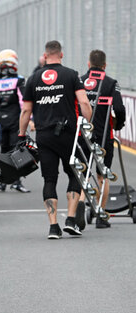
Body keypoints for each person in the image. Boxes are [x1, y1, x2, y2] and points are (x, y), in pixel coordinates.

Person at [19, 40, 92, 239]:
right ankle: (70, 219)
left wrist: (21, 134)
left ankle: (53, 227)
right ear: (61, 55)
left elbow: (26, 110)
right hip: (69, 135)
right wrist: (89, 121)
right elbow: (84, 102)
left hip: (44, 135)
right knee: (74, 175)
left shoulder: (33, 78)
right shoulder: (71, 75)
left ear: (45, 56)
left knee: (49, 179)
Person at [77, 49, 126, 229]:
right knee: (102, 175)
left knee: (82, 173)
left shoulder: (79, 81)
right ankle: (101, 214)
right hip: (104, 135)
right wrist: (118, 125)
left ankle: (81, 201)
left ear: (88, 64)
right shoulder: (111, 83)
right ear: (105, 65)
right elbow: (119, 109)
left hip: (82, 134)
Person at [0, 49, 30, 193]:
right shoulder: (18, 80)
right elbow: (23, 103)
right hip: (15, 121)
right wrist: (30, 119)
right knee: (17, 151)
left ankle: (2, 182)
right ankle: (17, 182)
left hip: (1, 121)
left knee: (3, 151)